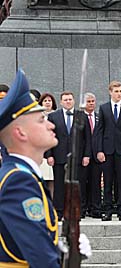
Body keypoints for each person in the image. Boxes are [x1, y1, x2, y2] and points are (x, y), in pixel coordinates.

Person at [0, 70, 91, 268]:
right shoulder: (18, 181)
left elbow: (24, 243)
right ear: (21, 133)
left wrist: (60, 250)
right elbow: (41, 265)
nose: (50, 125)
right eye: (41, 120)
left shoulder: (24, 175)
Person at [96, 80, 121, 221]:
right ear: (110, 92)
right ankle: (107, 209)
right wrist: (99, 150)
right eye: (116, 91)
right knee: (107, 181)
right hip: (107, 151)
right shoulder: (104, 108)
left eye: (120, 91)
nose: (119, 94)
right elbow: (99, 131)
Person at [46, 91, 87, 221]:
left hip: (77, 157)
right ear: (61, 102)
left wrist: (87, 155)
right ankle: (58, 211)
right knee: (59, 185)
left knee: (76, 185)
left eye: (70, 99)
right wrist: (49, 155)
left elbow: (87, 138)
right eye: (65, 99)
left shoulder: (81, 115)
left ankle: (76, 212)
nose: (68, 101)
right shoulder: (53, 116)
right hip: (59, 156)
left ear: (73, 101)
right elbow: (48, 136)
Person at [81, 92, 103, 218]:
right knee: (83, 183)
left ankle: (95, 208)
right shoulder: (79, 118)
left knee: (95, 183)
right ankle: (83, 208)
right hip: (84, 155)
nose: (91, 104)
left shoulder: (99, 117)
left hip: (97, 155)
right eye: (88, 101)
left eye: (93, 101)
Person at [38, 93, 57, 196]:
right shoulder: (37, 116)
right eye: (45, 101)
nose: (47, 103)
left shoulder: (58, 115)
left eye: (49, 100)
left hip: (54, 153)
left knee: (53, 179)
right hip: (42, 153)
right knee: (43, 179)